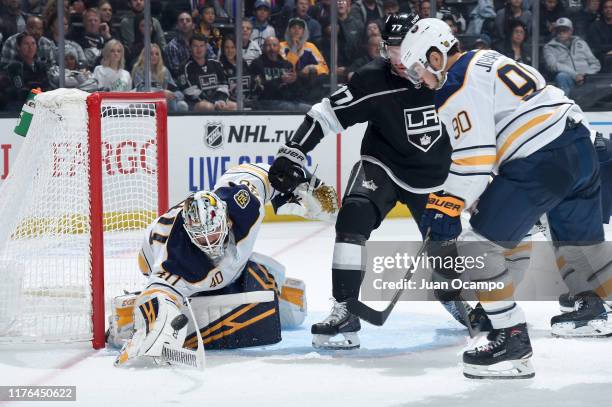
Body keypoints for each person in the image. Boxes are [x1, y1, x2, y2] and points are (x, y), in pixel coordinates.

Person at [400, 18, 611, 378]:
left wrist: (447, 204)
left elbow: (475, 158)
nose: (420, 79)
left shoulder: (453, 84)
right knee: (575, 237)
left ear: (436, 56)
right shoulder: (489, 56)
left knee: (474, 247)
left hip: (541, 160)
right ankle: (596, 309)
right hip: (580, 143)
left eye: (420, 68)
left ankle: (510, 340)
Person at [269, 14, 458, 350]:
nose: (399, 58)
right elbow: (326, 114)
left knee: (447, 250)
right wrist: (293, 151)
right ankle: (346, 307)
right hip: (382, 165)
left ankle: (459, 299)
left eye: (404, 48)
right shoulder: (373, 78)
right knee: (353, 214)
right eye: (391, 48)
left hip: (434, 177)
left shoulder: (454, 75)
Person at [110, 163, 336, 364]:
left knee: (294, 308)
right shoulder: (178, 258)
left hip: (227, 270)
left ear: (224, 217)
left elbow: (264, 175)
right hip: (152, 255)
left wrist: (302, 183)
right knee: (176, 312)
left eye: (214, 232)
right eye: (200, 237)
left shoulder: (243, 204)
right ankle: (138, 314)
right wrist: (158, 320)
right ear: (190, 233)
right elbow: (158, 288)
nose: (209, 243)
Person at [250, 36, 310, 111]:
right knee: (306, 109)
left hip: (287, 100)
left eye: (274, 45)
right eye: (268, 45)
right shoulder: (257, 63)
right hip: (265, 101)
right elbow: (258, 88)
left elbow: (297, 91)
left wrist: (294, 81)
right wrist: (280, 80)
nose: (271, 48)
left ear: (279, 48)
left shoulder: (287, 64)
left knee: (311, 109)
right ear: (263, 48)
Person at [543, 17, 601, 96]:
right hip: (568, 79)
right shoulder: (549, 47)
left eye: (565, 30)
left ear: (571, 31)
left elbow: (595, 64)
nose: (561, 33)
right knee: (561, 76)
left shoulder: (581, 43)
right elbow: (552, 65)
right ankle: (566, 105)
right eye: (559, 30)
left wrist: (585, 75)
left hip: (586, 79)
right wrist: (575, 75)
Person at [280, 17, 329, 103]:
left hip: (307, 86)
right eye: (293, 27)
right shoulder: (281, 46)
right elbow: (287, 68)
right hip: (287, 86)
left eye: (300, 28)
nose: (296, 30)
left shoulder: (310, 46)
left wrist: (311, 68)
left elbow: (325, 69)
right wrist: (294, 48)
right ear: (288, 30)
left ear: (304, 31)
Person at [177, 33, 230, 112]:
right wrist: (214, 103)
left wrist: (221, 100)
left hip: (217, 101)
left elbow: (224, 85)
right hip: (194, 104)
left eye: (202, 46)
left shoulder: (216, 64)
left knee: (234, 106)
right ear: (190, 48)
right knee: (207, 107)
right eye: (195, 46)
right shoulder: (184, 67)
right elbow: (191, 92)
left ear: (206, 47)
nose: (199, 49)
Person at [132, 44, 188, 112]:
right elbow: (141, 90)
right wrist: (161, 93)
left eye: (157, 54)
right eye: (151, 54)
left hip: (164, 100)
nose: (154, 56)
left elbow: (175, 89)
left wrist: (174, 95)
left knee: (182, 105)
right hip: (146, 101)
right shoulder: (139, 70)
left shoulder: (164, 70)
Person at [163, 11, 215, 79]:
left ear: (193, 25)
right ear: (177, 26)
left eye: (188, 20)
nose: (184, 22)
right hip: (184, 83)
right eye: (181, 21)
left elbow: (214, 61)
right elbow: (176, 72)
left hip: (206, 77)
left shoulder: (202, 41)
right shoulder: (171, 47)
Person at [5, 32, 49, 110]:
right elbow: (20, 91)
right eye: (26, 44)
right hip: (20, 106)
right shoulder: (14, 66)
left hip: (41, 103)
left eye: (33, 44)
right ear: (18, 47)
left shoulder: (41, 66)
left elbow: (46, 87)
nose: (30, 47)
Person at [219, 35, 250, 110]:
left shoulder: (243, 63)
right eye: (227, 47)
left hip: (247, 99)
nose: (230, 51)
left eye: (233, 47)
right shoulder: (219, 65)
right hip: (230, 103)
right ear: (223, 49)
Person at [587, 0, 612, 68]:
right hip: (602, 59)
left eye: (611, 7)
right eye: (606, 7)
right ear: (602, 10)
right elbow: (596, 47)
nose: (609, 10)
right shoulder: (595, 26)